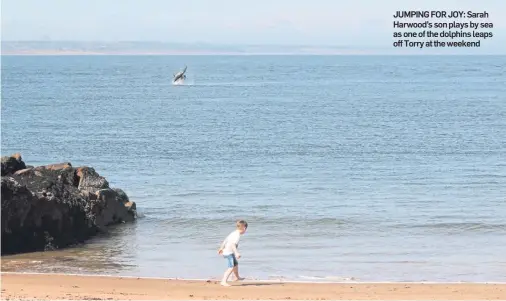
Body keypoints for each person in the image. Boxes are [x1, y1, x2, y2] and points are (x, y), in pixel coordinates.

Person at [217, 220, 248, 286]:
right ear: (244, 228)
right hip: (229, 253)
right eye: (246, 229)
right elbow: (233, 244)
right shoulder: (237, 235)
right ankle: (223, 281)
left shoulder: (234, 233)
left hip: (228, 251)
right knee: (231, 267)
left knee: (235, 264)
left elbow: (226, 239)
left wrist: (221, 248)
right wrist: (236, 253)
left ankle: (237, 277)